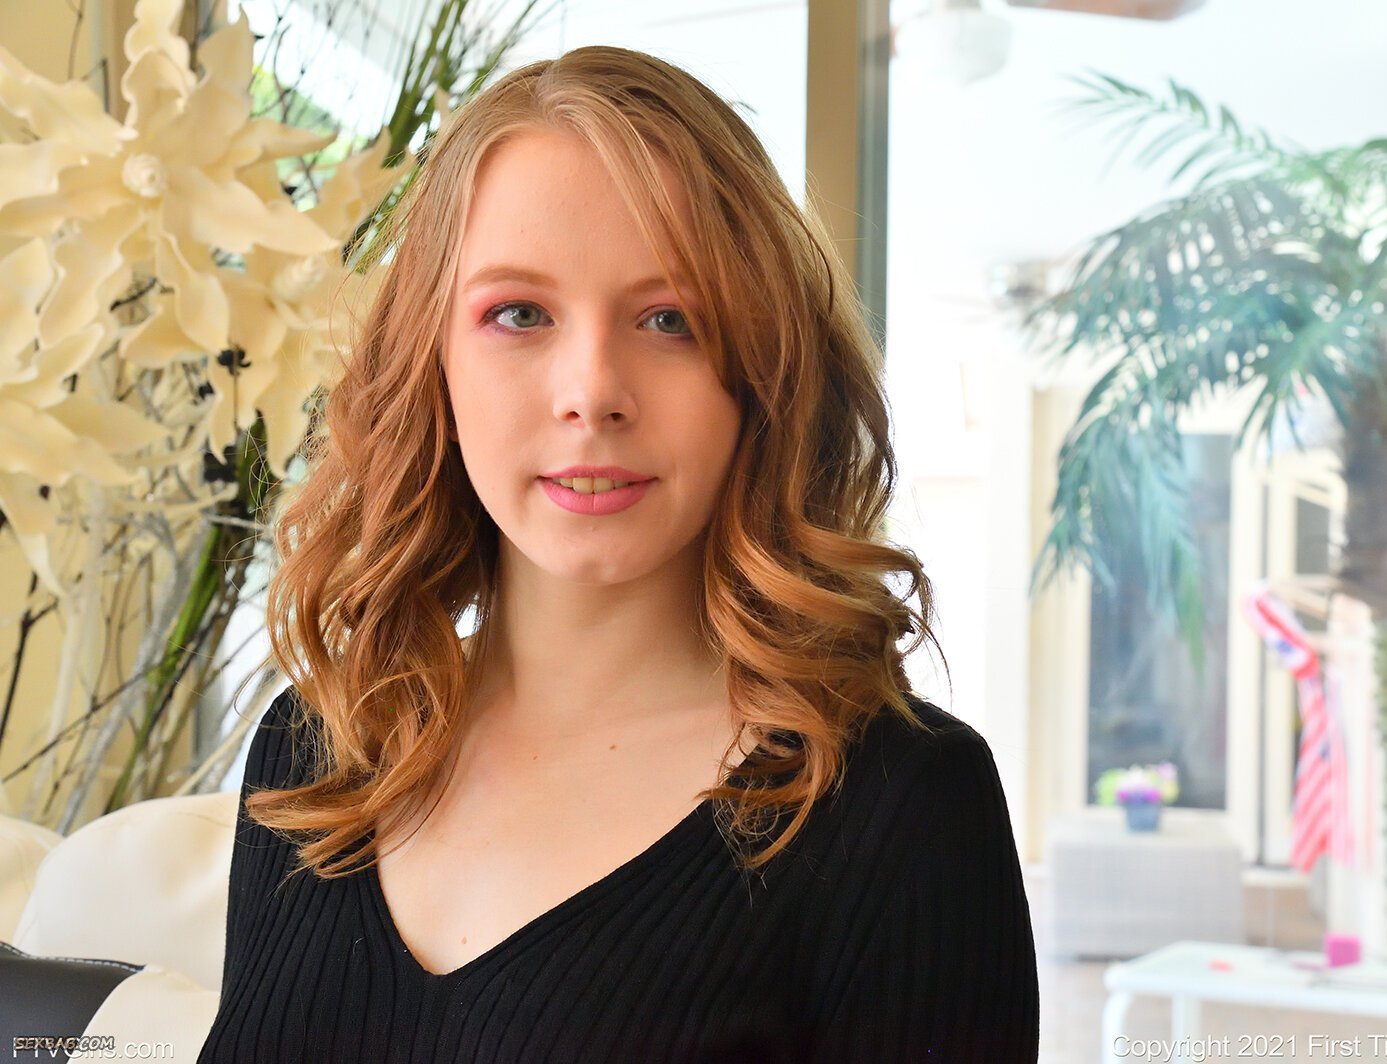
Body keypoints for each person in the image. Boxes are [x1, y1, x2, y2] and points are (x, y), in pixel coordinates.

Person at [198, 44, 1039, 1064]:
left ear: (762, 372)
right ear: (430, 361)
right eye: (518, 313)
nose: (592, 391)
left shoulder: (905, 810)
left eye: (669, 319)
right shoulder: (318, 750)